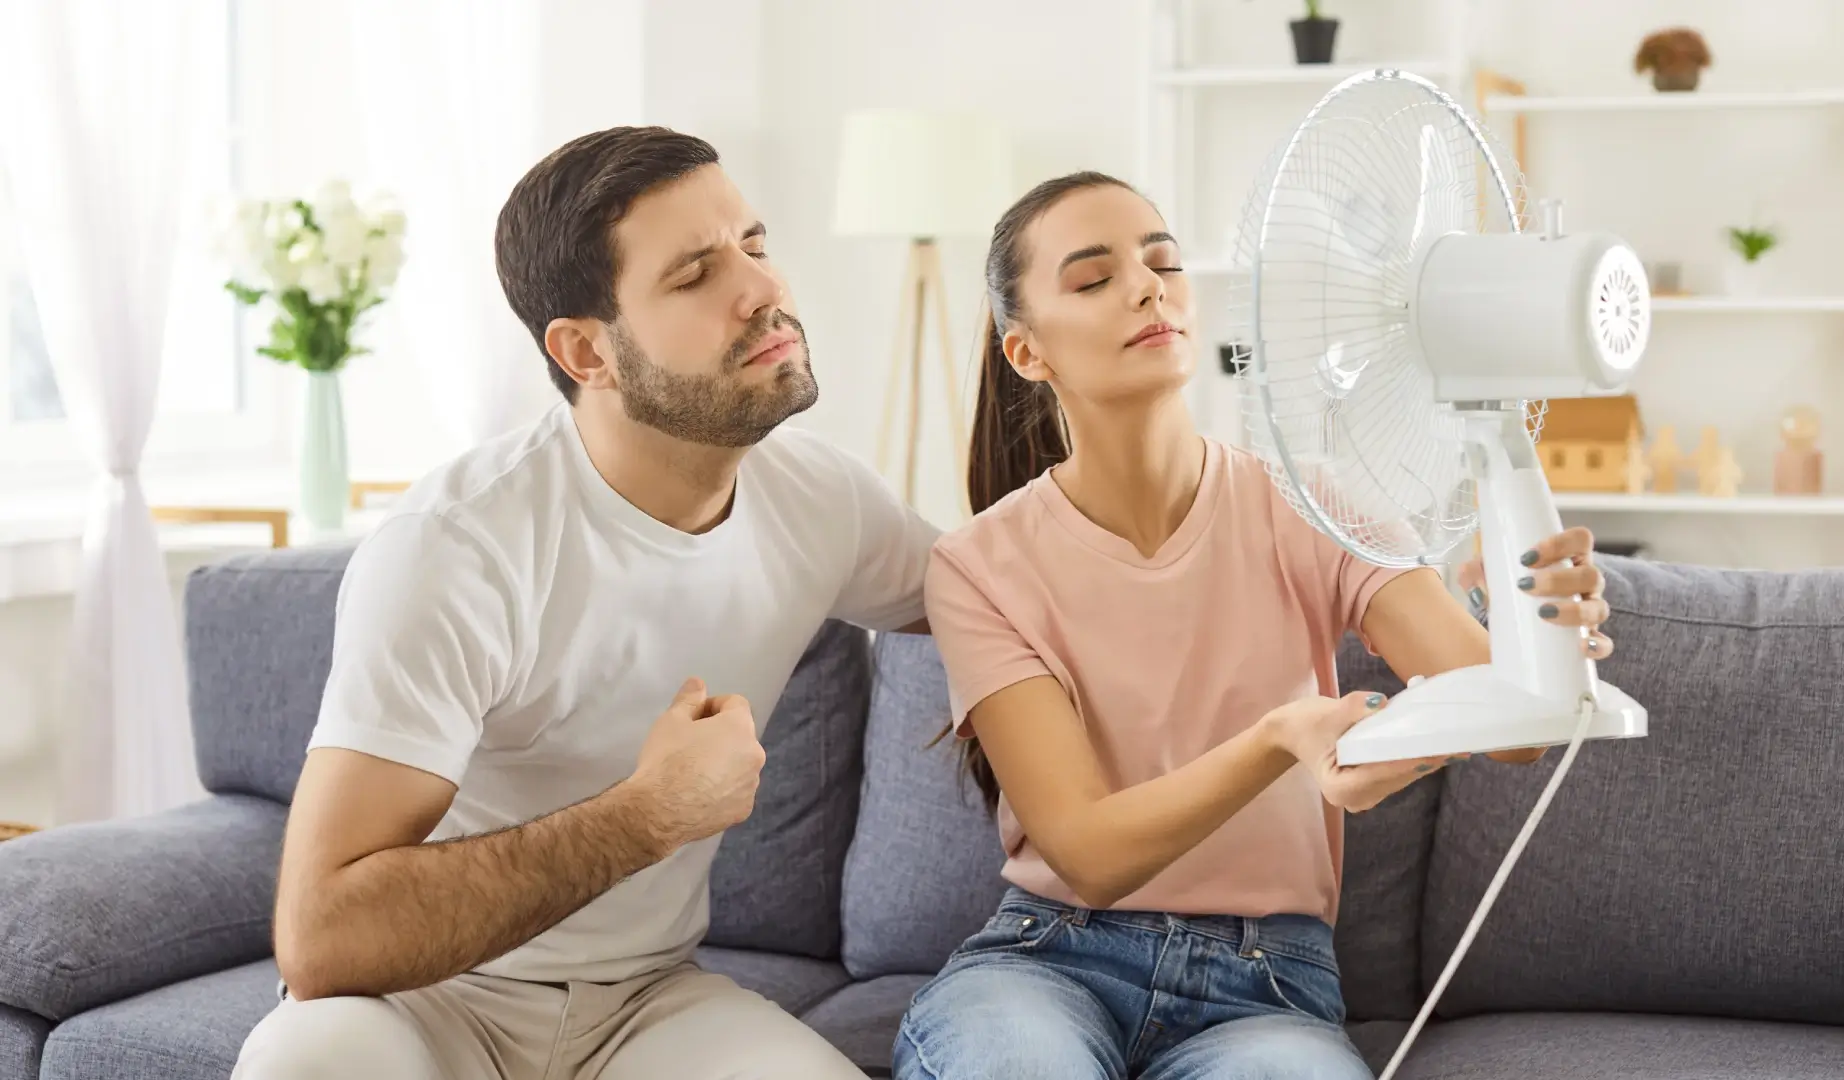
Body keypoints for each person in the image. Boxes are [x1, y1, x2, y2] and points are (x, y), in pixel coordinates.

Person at [231, 126, 937, 1079]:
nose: (763, 290)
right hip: (418, 1004)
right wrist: (645, 816)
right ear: (586, 350)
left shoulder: (824, 500)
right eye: (695, 275)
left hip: (647, 1003)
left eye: (756, 246)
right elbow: (322, 941)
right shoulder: (458, 548)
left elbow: (1015, 598)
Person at [893, 171, 1616, 1079]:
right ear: (1028, 353)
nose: (1150, 287)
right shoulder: (980, 564)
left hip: (1268, 987)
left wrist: (1541, 633)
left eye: (1164, 263)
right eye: (1092, 279)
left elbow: (1510, 736)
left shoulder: (1312, 506)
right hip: (1048, 962)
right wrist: (1279, 739)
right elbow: (1086, 855)